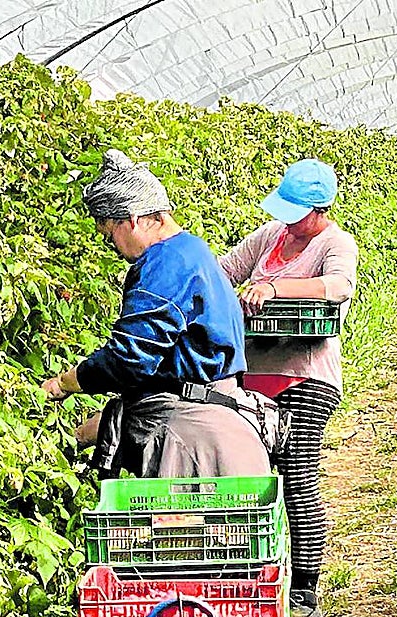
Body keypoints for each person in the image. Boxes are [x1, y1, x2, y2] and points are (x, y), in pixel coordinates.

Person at [41, 149, 271, 479]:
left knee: (182, 528)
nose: (114, 249)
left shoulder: (164, 264)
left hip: (191, 436)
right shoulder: (192, 249)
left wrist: (66, 383)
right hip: (216, 416)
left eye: (110, 237)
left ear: (132, 219)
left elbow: (130, 358)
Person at [219, 158, 359, 617]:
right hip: (252, 376)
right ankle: (250, 579)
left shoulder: (335, 242)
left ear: (320, 209)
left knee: (298, 470)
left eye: (297, 212)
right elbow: (226, 270)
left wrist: (276, 287)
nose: (290, 220)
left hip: (306, 375)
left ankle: (304, 589)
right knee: (248, 475)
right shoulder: (270, 235)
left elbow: (338, 288)